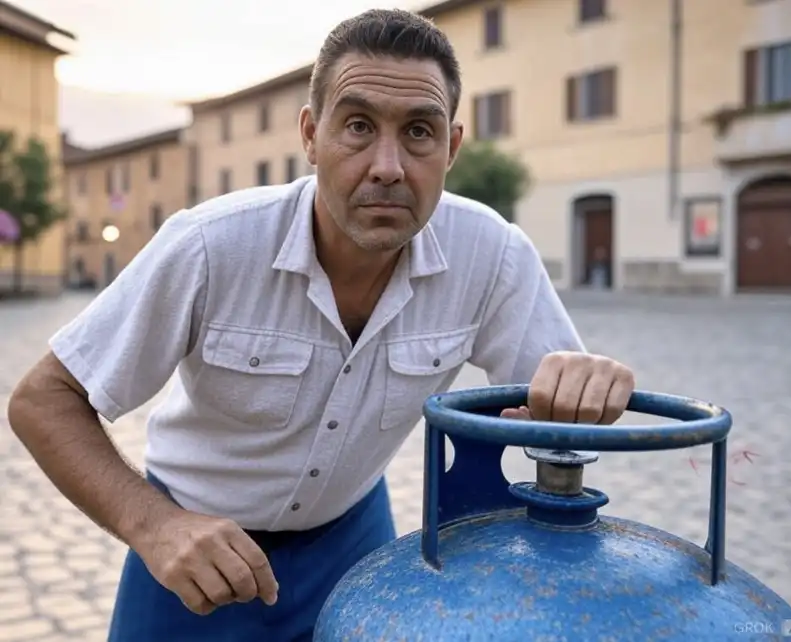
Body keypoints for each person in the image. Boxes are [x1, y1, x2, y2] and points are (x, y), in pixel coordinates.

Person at [7, 8, 635, 642]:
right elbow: (44, 399)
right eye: (358, 126)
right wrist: (156, 527)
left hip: (353, 549)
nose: (388, 165)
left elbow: (552, 407)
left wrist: (579, 386)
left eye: (419, 131)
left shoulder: (492, 254)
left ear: (452, 147)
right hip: (188, 557)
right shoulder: (209, 245)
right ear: (311, 135)